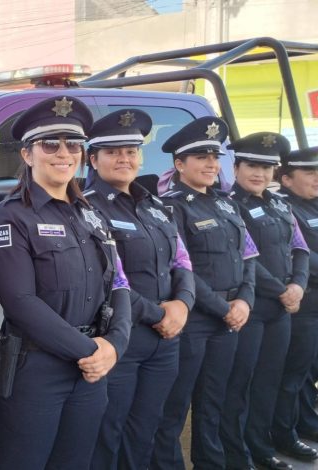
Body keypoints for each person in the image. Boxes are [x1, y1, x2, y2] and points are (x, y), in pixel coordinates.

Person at [0, 95, 132, 469]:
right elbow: (20, 301)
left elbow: (119, 283)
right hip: (36, 370)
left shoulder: (91, 214)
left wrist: (115, 344)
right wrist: (90, 350)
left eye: (73, 144)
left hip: (89, 370)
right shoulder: (10, 217)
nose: (63, 153)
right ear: (28, 154)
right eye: (50, 144)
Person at [84, 109, 195, 470]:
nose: (124, 158)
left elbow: (183, 262)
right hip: (122, 338)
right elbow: (107, 279)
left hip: (165, 341)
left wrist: (183, 303)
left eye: (131, 151)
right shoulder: (86, 209)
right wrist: (161, 313)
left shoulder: (156, 206)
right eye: (113, 151)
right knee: (108, 432)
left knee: (147, 428)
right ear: (93, 159)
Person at [151, 117, 258, 470]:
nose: (211, 164)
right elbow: (180, 267)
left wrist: (244, 299)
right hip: (195, 320)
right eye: (201, 157)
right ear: (180, 164)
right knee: (174, 407)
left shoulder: (227, 204)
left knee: (213, 402)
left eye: (215, 156)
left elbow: (248, 257)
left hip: (229, 318)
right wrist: (222, 307)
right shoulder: (170, 207)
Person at [219, 132, 309, 470]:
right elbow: (246, 259)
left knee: (268, 381)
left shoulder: (279, 204)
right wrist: (282, 290)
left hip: (279, 311)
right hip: (250, 308)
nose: (259, 173)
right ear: (237, 166)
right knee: (239, 385)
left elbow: (299, 248)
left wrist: (299, 284)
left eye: (267, 167)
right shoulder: (229, 204)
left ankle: (259, 447)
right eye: (252, 165)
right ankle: (234, 452)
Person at [272, 145, 318, 462]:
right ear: (287, 179)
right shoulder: (283, 208)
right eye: (309, 172)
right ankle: (283, 435)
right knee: (293, 375)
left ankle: (306, 423)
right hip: (309, 301)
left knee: (314, 370)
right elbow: (298, 252)